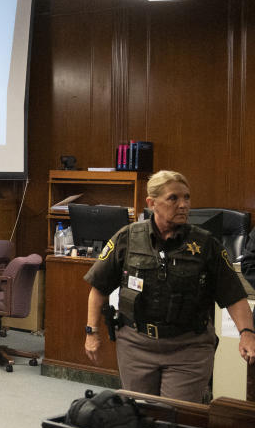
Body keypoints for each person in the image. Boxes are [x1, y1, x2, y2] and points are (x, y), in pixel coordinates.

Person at [83, 170, 255, 402]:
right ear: (152, 203)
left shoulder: (205, 244)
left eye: (187, 198)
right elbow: (99, 289)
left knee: (178, 419)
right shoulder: (129, 238)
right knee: (138, 416)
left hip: (188, 348)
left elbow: (234, 295)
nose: (183, 205)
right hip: (136, 346)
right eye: (173, 198)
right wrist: (91, 332)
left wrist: (247, 333)